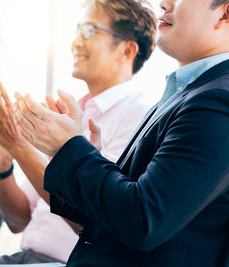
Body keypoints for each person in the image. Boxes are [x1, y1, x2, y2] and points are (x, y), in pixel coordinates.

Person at [0, 0, 157, 265]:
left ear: (126, 50)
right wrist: (2, 167)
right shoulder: (70, 112)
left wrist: (20, 147)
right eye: (77, 30)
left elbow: (89, 214)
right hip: (26, 257)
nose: (75, 42)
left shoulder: (138, 119)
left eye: (89, 31)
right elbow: (17, 220)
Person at [14, 0, 229, 266]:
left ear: (225, 13)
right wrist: (84, 154)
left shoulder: (218, 101)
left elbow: (145, 220)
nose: (164, 3)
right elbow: (112, 216)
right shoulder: (183, 95)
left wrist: (69, 148)